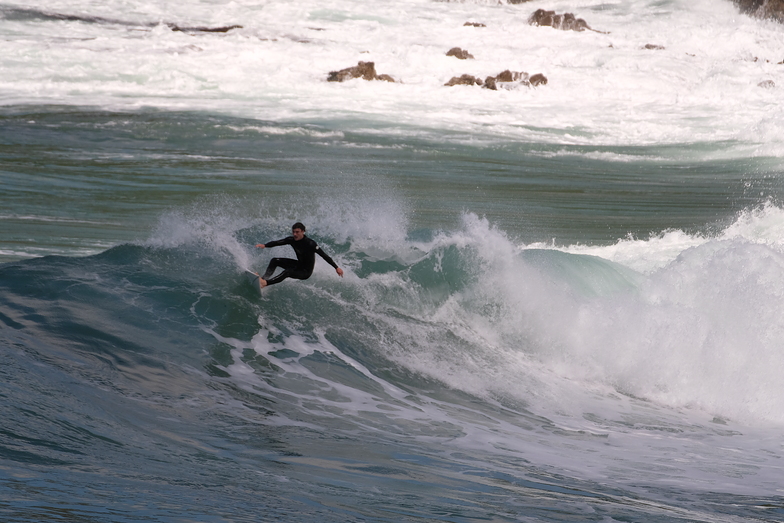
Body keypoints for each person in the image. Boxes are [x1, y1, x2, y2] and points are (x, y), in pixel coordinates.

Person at [255, 222, 344, 288]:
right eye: (293, 232)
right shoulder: (292, 240)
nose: (295, 234)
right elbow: (278, 242)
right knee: (275, 261)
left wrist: (336, 267)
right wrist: (265, 245)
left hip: (305, 272)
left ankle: (265, 283)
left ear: (303, 231)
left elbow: (324, 255)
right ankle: (263, 279)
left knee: (287, 272)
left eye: (297, 232)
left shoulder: (310, 244)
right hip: (299, 265)